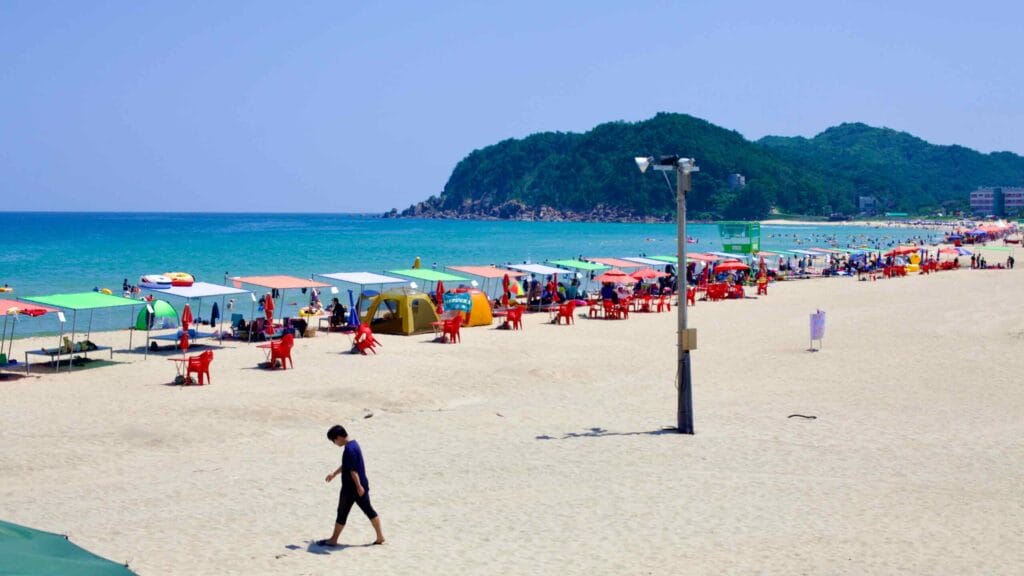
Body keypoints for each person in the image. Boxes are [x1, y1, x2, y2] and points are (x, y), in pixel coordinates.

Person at [319, 425, 385, 547]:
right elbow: (347, 465)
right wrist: (334, 474)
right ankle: (380, 537)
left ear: (338, 437)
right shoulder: (354, 444)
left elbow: (352, 470)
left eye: (334, 441)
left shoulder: (348, 450)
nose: (334, 443)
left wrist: (358, 486)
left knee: (342, 512)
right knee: (369, 510)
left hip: (351, 488)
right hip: (361, 486)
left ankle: (333, 539)